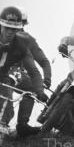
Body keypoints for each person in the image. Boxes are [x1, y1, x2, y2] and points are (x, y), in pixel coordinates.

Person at [0, 6, 45, 125]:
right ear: (0, 25)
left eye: (14, 29)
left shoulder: (21, 46)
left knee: (5, 108)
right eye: (7, 27)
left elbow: (33, 71)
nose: (10, 32)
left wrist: (39, 90)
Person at [12, 9, 52, 137]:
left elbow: (44, 62)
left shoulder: (27, 40)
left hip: (15, 73)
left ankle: (22, 126)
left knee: (32, 88)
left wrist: (46, 81)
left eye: (20, 23)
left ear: (23, 24)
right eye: (12, 22)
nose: (15, 26)